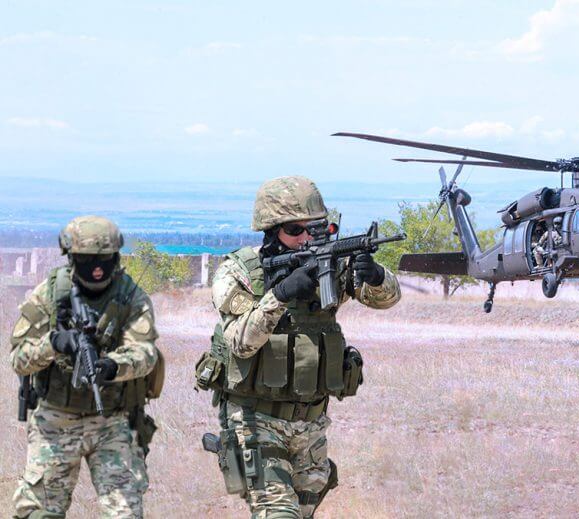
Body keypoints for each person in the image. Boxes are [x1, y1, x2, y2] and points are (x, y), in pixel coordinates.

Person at [196, 176, 400, 518]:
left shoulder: (331, 268)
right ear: (271, 231)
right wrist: (280, 295)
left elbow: (386, 300)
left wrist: (376, 276)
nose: (306, 238)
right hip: (254, 419)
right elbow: (240, 343)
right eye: (294, 230)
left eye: (317, 229)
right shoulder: (240, 272)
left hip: (311, 424)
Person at [10, 215, 161, 518]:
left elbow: (145, 353)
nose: (97, 267)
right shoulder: (49, 293)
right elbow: (19, 360)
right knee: (37, 513)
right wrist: (54, 343)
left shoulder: (130, 295)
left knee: (126, 514)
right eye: (88, 260)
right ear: (72, 258)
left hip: (112, 421)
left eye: (104, 260)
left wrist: (112, 366)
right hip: (55, 421)